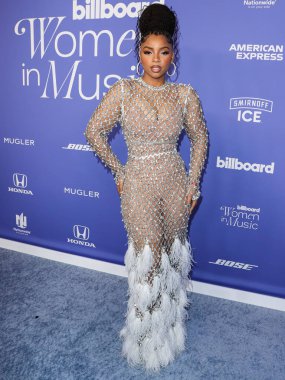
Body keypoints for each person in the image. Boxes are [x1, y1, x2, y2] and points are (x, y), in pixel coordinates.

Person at [84, 3, 209, 372]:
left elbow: (200, 138)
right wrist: (119, 172)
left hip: (174, 181)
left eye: (164, 52)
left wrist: (193, 183)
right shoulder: (122, 91)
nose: (156, 61)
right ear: (138, 51)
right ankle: (142, 338)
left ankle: (169, 331)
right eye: (148, 51)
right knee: (147, 259)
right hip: (137, 181)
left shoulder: (186, 94)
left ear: (173, 55)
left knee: (172, 256)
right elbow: (93, 132)